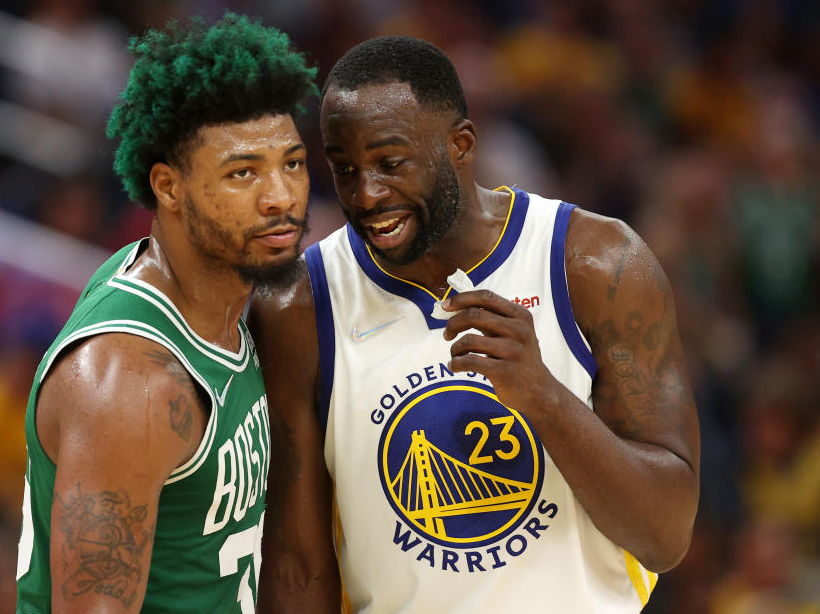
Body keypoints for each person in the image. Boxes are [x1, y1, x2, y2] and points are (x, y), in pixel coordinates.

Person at [250, 36, 701, 613]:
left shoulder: (595, 262)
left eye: (391, 164)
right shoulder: (299, 304)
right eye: (344, 170)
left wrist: (544, 399)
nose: (367, 194)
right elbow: (297, 562)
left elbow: (665, 536)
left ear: (460, 145)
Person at [15, 14, 317, 614]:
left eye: (292, 163)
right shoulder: (133, 388)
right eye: (242, 173)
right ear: (168, 187)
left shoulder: (212, 294)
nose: (281, 196)